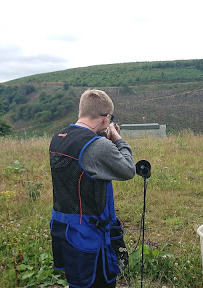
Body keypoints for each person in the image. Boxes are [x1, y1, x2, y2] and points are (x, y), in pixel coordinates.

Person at [49, 89, 136, 288]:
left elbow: (86, 165)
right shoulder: (98, 147)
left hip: (66, 231)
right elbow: (128, 170)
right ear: (106, 118)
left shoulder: (59, 137)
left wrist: (102, 138)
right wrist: (116, 138)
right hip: (92, 238)